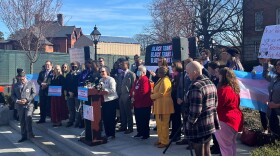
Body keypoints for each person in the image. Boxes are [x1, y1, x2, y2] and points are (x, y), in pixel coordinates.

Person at [184, 61, 220, 156]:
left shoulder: (196, 86)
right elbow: (216, 103)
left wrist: (189, 124)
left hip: (199, 125)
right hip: (209, 122)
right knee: (207, 150)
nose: (187, 75)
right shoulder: (210, 82)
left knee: (199, 151)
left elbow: (195, 110)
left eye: (188, 72)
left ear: (195, 72)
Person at [215, 67, 243, 156]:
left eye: (219, 75)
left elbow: (217, 105)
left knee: (225, 147)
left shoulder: (223, 90)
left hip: (224, 119)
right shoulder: (234, 89)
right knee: (231, 145)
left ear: (222, 76)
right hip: (235, 119)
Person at [151, 66, 174, 148]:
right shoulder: (161, 79)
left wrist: (152, 96)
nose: (157, 74)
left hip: (164, 107)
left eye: (158, 72)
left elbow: (161, 93)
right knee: (159, 124)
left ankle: (165, 141)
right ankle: (160, 139)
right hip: (159, 105)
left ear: (161, 73)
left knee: (164, 125)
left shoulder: (165, 81)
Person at [11, 72, 36, 142]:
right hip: (20, 105)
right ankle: (23, 135)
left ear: (25, 77)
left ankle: (30, 133)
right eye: (20, 79)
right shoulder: (15, 85)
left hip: (29, 104)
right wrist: (17, 101)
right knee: (22, 120)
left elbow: (34, 93)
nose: (21, 81)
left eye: (22, 79)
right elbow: (12, 95)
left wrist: (27, 100)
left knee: (28, 118)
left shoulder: (30, 83)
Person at [131, 65, 153, 140]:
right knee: (138, 119)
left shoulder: (145, 80)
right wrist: (132, 96)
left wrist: (135, 98)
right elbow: (133, 89)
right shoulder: (137, 80)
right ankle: (139, 132)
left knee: (144, 120)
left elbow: (144, 92)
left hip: (144, 104)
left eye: (139, 70)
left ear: (143, 72)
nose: (138, 72)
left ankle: (145, 134)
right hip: (137, 104)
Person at [176, 58, 193, 145]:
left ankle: (192, 140)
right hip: (182, 101)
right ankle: (186, 138)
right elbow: (179, 87)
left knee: (190, 121)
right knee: (184, 119)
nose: (184, 66)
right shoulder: (182, 74)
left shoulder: (192, 75)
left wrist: (185, 97)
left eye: (186, 64)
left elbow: (191, 88)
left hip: (189, 101)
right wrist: (178, 97)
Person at [116, 59, 136, 134]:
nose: (121, 66)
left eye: (123, 64)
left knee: (128, 112)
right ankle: (123, 126)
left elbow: (133, 86)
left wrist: (132, 96)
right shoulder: (120, 74)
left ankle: (130, 127)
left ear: (127, 65)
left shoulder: (131, 74)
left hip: (127, 95)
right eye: (121, 64)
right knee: (122, 112)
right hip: (121, 95)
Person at [99, 66, 118, 139]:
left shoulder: (111, 79)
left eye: (103, 71)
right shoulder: (100, 80)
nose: (102, 73)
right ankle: (107, 133)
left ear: (107, 71)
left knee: (110, 118)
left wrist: (104, 88)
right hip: (103, 101)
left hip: (111, 101)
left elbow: (113, 90)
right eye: (100, 72)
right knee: (105, 118)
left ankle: (112, 134)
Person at [263, 59, 280, 136]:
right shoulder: (274, 77)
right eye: (277, 65)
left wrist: (276, 105)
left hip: (278, 110)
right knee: (274, 132)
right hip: (272, 111)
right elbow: (265, 75)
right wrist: (266, 63)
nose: (278, 66)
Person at [170, 60, 183, 142]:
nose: (172, 68)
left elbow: (178, 87)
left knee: (176, 117)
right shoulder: (173, 76)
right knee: (173, 117)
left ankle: (177, 134)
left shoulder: (179, 76)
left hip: (176, 99)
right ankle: (173, 132)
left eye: (173, 66)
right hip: (172, 99)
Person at [65, 61, 81, 127]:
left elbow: (78, 84)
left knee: (77, 109)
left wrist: (74, 92)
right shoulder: (68, 75)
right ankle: (71, 120)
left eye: (75, 66)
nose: (73, 67)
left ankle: (77, 122)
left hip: (77, 94)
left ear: (78, 66)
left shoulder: (80, 74)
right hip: (69, 94)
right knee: (71, 109)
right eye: (72, 66)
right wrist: (69, 92)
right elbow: (66, 84)